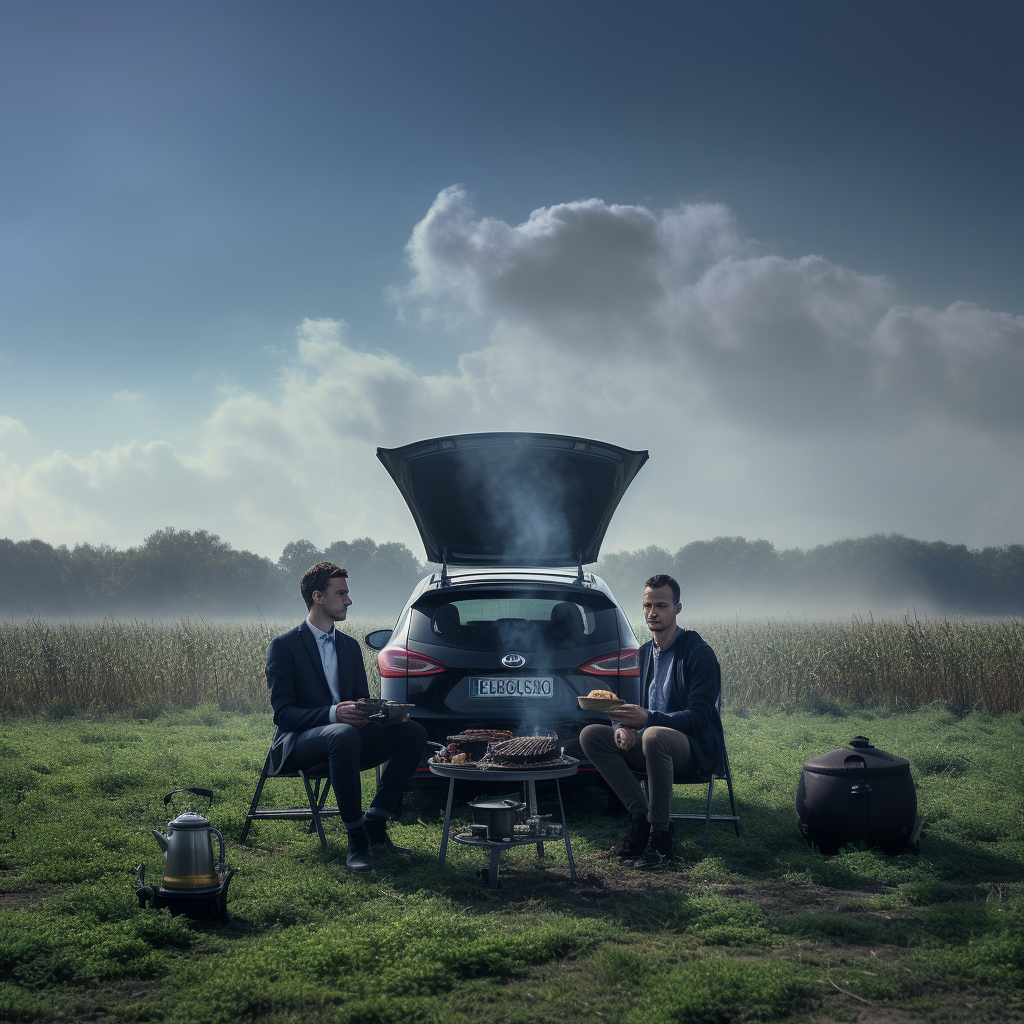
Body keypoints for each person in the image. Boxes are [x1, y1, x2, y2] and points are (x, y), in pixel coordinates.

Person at [265, 561, 427, 873]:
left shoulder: (350, 647)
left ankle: (376, 823)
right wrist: (333, 714)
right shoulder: (284, 647)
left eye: (347, 594)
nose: (348, 601)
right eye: (341, 594)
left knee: (414, 733)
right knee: (342, 733)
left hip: (347, 740)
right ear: (318, 597)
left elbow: (360, 702)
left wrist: (383, 714)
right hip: (299, 742)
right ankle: (356, 837)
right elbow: (284, 715)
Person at [579, 573, 725, 866]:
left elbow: (699, 718)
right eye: (647, 605)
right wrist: (624, 728)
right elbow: (640, 710)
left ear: (677, 608)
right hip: (650, 742)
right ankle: (639, 816)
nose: (652, 612)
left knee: (654, 735)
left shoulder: (698, 653)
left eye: (661, 605)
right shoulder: (645, 653)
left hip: (691, 747)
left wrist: (647, 720)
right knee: (592, 735)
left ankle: (661, 838)